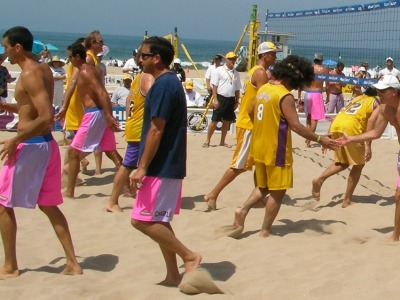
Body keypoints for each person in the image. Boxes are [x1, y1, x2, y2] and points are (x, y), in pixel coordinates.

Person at [0, 26, 82, 278]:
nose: (4, 52)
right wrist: (7, 106)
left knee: (3, 204)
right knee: (48, 205)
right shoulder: (43, 69)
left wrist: (16, 140)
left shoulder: (30, 73)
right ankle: (72, 263)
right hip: (45, 145)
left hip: (32, 145)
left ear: (17, 47)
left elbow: (46, 117)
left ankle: (11, 266)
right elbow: (31, 108)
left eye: (6, 47)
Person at [232, 55, 339, 238]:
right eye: (297, 83)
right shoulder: (284, 95)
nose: (296, 87)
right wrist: (321, 139)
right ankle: (265, 230)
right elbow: (296, 126)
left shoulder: (264, 88)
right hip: (277, 150)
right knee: (278, 192)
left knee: (264, 187)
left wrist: (264, 126)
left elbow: (249, 112)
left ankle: (242, 210)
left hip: (259, 146)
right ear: (292, 78)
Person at [130, 36, 201, 286]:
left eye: (143, 55)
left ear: (156, 58)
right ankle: (173, 275)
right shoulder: (168, 83)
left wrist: (141, 168)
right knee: (159, 220)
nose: (139, 59)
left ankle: (189, 256)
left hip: (162, 165)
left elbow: (157, 129)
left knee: (140, 220)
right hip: (166, 163)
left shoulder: (164, 85)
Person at [204, 42, 279, 210]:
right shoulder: (260, 73)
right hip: (249, 125)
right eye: (273, 54)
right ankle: (212, 194)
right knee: (239, 166)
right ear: (264, 55)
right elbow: (264, 99)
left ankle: (258, 198)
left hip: (250, 123)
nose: (275, 57)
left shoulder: (254, 70)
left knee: (259, 162)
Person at [338, 75, 400, 242]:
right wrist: (352, 139)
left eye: (382, 90)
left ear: (394, 92)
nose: (378, 92)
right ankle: (395, 236)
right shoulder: (385, 108)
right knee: (399, 196)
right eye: (378, 89)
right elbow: (376, 132)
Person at [60, 42, 121, 199]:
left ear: (78, 57)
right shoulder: (88, 70)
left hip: (94, 114)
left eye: (70, 57)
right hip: (99, 113)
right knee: (111, 152)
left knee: (73, 153)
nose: (69, 60)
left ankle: (69, 191)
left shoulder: (85, 71)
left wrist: (109, 116)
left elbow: (101, 93)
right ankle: (127, 189)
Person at [311, 87, 379, 208]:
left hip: (337, 124)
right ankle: (347, 200)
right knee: (358, 165)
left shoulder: (357, 98)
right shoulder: (375, 101)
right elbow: (372, 122)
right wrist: (368, 145)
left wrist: (329, 132)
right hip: (351, 129)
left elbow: (340, 113)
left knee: (343, 162)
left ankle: (320, 179)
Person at [107, 48, 155, 213]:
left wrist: (130, 119)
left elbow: (128, 101)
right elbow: (155, 99)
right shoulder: (147, 78)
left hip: (135, 125)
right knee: (128, 165)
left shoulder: (137, 78)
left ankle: (129, 193)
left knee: (136, 164)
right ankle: (113, 201)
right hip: (139, 129)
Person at [203, 51, 241, 148]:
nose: (233, 61)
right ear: (227, 60)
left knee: (227, 121)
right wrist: (215, 100)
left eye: (235, 59)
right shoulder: (219, 70)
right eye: (232, 59)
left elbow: (237, 89)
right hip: (221, 97)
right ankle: (207, 140)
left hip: (231, 99)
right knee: (215, 120)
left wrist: (237, 101)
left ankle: (222, 141)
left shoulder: (236, 73)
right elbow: (214, 87)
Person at [298, 53, 329, 148]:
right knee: (314, 120)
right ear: (322, 60)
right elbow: (327, 85)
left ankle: (307, 138)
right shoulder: (325, 69)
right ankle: (309, 139)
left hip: (308, 94)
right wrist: (327, 96)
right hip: (317, 95)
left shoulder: (309, 68)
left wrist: (299, 96)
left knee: (308, 118)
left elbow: (301, 82)